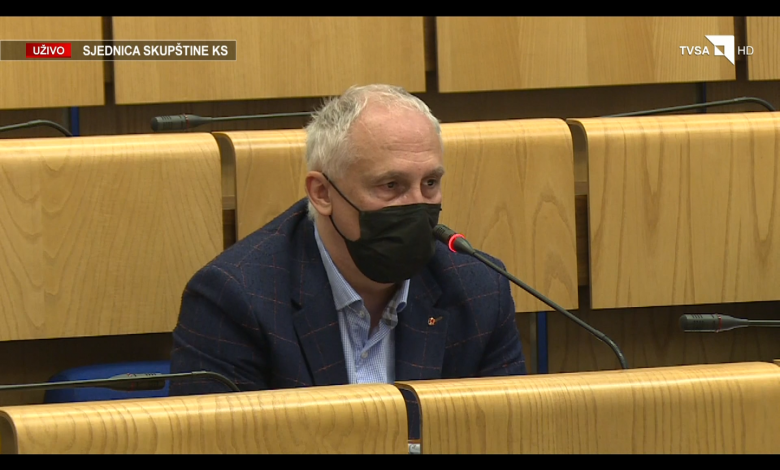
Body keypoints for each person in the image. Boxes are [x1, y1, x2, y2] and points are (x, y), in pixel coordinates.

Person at [168, 84, 527, 437]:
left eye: (430, 183)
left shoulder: (478, 290)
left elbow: (508, 437)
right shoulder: (235, 299)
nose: (417, 206)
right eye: (391, 185)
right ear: (323, 193)